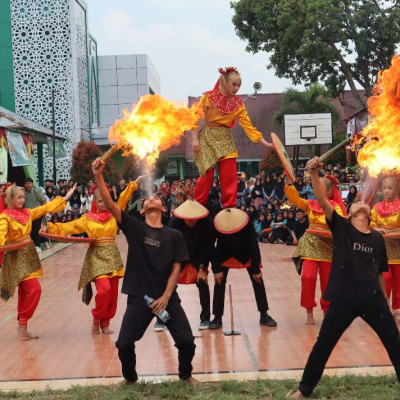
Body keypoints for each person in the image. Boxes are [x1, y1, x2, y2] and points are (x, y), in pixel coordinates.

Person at [288, 157, 400, 398]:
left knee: (395, 343)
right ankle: (303, 389)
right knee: (323, 345)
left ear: (370, 215)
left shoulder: (377, 239)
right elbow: (322, 200)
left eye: (364, 205)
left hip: (373, 301)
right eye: (355, 205)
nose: (361, 205)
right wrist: (315, 174)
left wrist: (385, 303)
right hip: (343, 300)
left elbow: (381, 272)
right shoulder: (342, 229)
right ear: (348, 215)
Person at [91, 158, 200, 386]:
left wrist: (167, 296)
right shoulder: (135, 228)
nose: (153, 198)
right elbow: (111, 205)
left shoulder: (174, 236)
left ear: (164, 208)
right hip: (140, 298)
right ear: (142, 209)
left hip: (166, 299)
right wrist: (98, 175)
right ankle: (130, 379)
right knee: (123, 343)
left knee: (187, 342)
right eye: (149, 198)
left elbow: (177, 267)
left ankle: (186, 375)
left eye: (158, 198)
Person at [42, 180, 140, 335]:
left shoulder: (114, 214)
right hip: (96, 257)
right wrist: (51, 227)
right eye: (100, 201)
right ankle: (96, 320)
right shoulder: (87, 218)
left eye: (106, 200)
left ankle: (106, 323)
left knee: (113, 294)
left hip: (112, 257)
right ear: (94, 201)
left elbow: (123, 199)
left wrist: (132, 185)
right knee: (104, 290)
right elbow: (70, 227)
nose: (104, 203)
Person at [0, 183, 76, 340]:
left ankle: (23, 326)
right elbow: (1, 234)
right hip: (15, 257)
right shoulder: (5, 216)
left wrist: (66, 196)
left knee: (26, 292)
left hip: (28, 255)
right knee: (34, 290)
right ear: (10, 198)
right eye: (19, 197)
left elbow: (46, 208)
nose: (22, 200)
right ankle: (22, 325)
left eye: (23, 197)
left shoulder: (27, 213)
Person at [192, 67, 273, 209]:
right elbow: (195, 117)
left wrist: (265, 142)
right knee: (206, 175)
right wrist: (194, 139)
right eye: (234, 84)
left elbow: (248, 126)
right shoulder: (207, 98)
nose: (236, 88)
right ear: (224, 82)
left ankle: (229, 208)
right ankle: (197, 205)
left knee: (229, 176)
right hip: (207, 137)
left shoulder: (238, 104)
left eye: (239, 85)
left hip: (225, 138)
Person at [285, 174, 346, 325]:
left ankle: (326, 310)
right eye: (315, 188)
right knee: (308, 277)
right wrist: (289, 185)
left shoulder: (335, 207)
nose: (317, 191)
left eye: (321, 189)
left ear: (330, 192)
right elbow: (296, 199)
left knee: (327, 281)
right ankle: (309, 311)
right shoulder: (310, 204)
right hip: (311, 245)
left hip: (328, 246)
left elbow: (339, 223)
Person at [209, 208, 277, 329]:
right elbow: (210, 245)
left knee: (258, 280)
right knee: (219, 282)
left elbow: (253, 244)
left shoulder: (246, 222)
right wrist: (216, 270)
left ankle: (264, 314)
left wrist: (256, 269)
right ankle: (217, 317)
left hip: (245, 253)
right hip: (223, 254)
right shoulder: (217, 222)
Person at [156, 199, 213, 331]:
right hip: (178, 258)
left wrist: (202, 266)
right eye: (189, 219)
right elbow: (167, 247)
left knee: (202, 283)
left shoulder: (204, 224)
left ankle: (205, 318)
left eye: (195, 219)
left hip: (198, 257)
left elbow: (207, 246)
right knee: (167, 285)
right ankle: (160, 318)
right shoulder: (174, 224)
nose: (192, 221)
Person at [370, 176, 400, 321]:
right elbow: (371, 224)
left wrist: (392, 233)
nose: (387, 191)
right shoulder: (377, 207)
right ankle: (383, 307)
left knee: (399, 281)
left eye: (390, 188)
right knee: (385, 279)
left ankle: (398, 309)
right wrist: (377, 229)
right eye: (384, 188)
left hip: (398, 248)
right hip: (383, 249)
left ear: (396, 189)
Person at [23, 178, 46, 253]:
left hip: (37, 214)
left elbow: (43, 201)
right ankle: (32, 246)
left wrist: (43, 211)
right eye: (26, 184)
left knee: (35, 230)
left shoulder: (36, 191)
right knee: (29, 231)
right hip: (28, 215)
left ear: (32, 184)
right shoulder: (24, 193)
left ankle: (38, 246)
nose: (27, 185)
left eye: (29, 183)